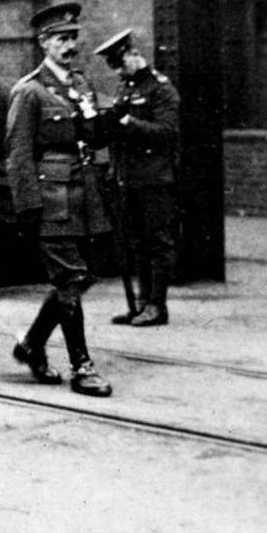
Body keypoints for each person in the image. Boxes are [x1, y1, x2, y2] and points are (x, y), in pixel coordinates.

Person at [4, 2, 114, 397]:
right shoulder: (29, 91)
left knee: (82, 277)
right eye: (61, 39)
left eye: (73, 38)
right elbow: (17, 154)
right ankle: (82, 367)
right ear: (44, 44)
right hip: (51, 198)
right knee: (72, 278)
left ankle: (32, 344)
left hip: (85, 196)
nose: (70, 46)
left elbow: (94, 138)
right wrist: (28, 206)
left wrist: (105, 119)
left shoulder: (81, 85)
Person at [95, 28, 181, 327]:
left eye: (121, 63)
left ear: (134, 55)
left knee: (157, 242)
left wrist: (129, 122)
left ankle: (157, 305)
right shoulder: (126, 88)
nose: (118, 71)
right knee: (137, 243)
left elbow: (167, 133)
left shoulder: (161, 89)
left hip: (155, 179)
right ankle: (141, 304)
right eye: (115, 66)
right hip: (128, 178)